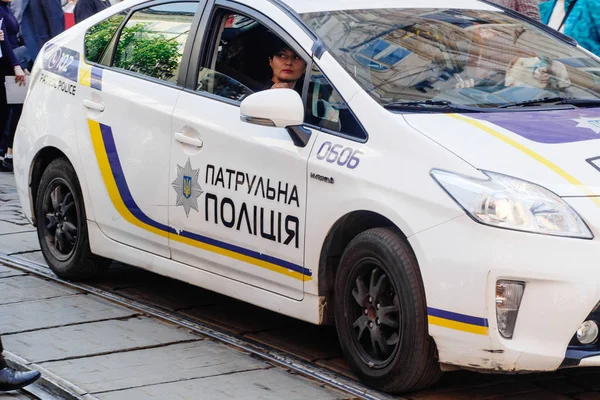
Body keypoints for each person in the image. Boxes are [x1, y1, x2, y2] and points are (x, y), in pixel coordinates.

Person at [0, 0, 27, 172]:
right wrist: (16, 65)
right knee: (5, 112)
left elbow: (11, 39)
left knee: (14, 108)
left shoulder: (7, 8)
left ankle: (7, 153)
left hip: (11, 63)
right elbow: (4, 42)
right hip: (5, 65)